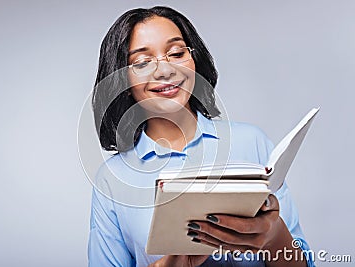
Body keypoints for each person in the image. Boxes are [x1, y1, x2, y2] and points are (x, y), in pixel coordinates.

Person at [88, 6, 314, 267]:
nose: (164, 70)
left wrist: (273, 236)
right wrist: (174, 262)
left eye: (176, 53)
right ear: (122, 82)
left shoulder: (252, 142)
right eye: (142, 63)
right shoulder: (112, 179)